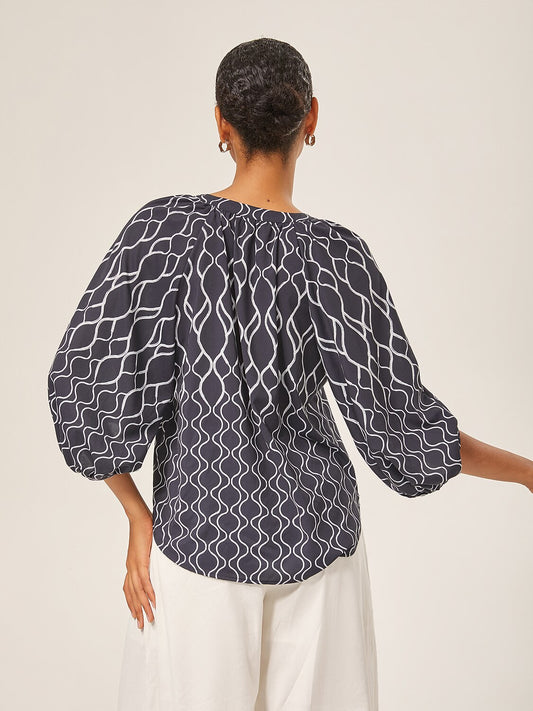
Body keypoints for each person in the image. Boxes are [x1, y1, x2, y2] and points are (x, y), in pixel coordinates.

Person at [47, 37, 533, 711]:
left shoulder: (162, 234)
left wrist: (136, 514)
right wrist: (526, 472)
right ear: (311, 118)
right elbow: (402, 427)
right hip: (320, 548)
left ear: (221, 123)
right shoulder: (337, 257)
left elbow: (88, 386)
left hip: (195, 540)